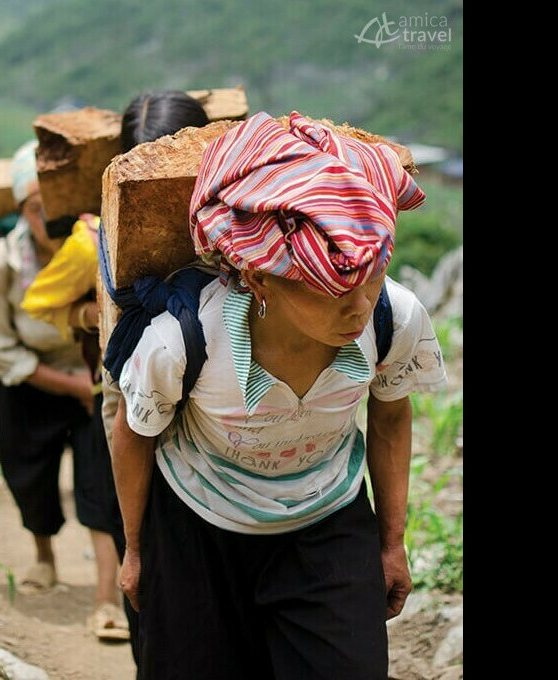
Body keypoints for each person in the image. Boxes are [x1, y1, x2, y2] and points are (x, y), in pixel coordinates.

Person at [111, 111, 447, 679]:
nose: (358, 307)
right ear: (260, 278)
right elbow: (133, 434)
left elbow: (391, 417)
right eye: (331, 290)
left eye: (370, 277)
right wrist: (137, 550)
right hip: (198, 525)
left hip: (326, 518)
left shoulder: (394, 317)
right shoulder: (183, 341)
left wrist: (392, 541)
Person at [20, 91, 210, 650]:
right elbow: (40, 303)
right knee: (147, 536)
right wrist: (93, 314)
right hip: (130, 405)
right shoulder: (94, 238)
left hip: (215, 403)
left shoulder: (231, 221)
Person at [0, 140, 96, 599]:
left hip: (90, 374)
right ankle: (44, 557)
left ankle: (106, 578)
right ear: (22, 211)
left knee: (100, 477)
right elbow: (4, 353)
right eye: (37, 208)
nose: (49, 218)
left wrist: (91, 381)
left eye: (57, 206)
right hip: (29, 381)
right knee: (30, 475)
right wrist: (73, 386)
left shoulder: (93, 248)